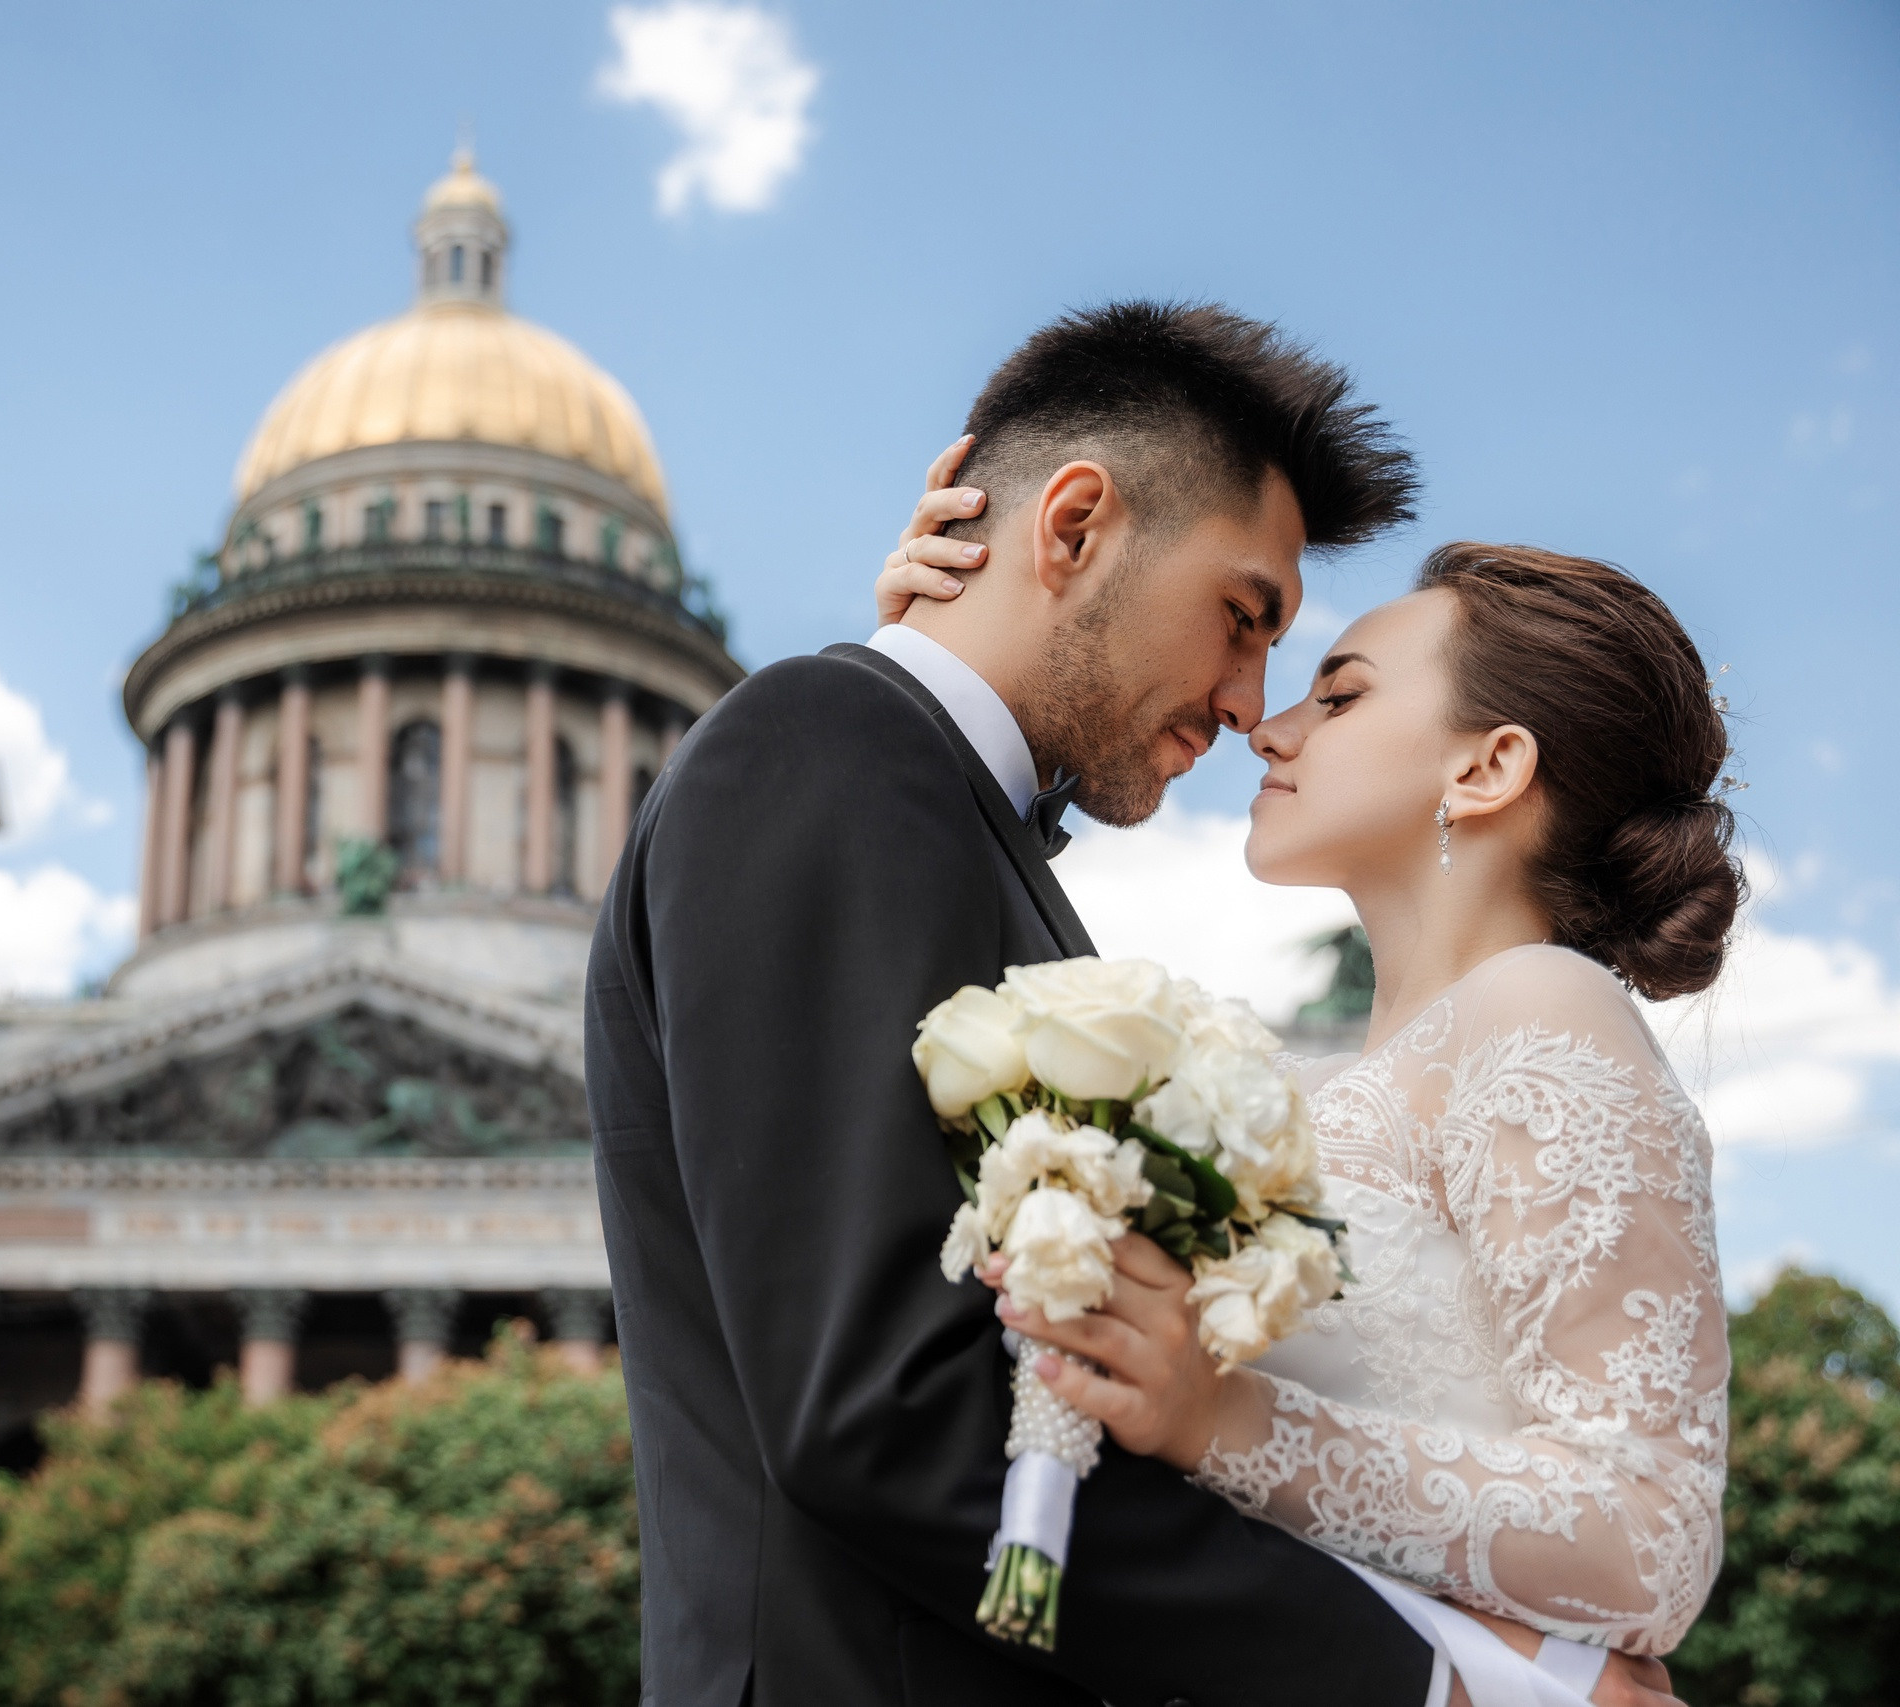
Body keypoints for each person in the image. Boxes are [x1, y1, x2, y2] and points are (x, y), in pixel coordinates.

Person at [586, 299, 1691, 1707]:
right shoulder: (832, 750)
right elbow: (887, 1412)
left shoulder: (889, 784)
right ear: (1075, 526)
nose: (1251, 707)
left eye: (1321, 679)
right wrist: (1445, 1684)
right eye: (1244, 617)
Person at [876, 455, 1737, 1696]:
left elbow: (1651, 1539)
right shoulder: (1285, 1081)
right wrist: (951, 663)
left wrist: (1221, 1421)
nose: (1268, 726)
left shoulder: (1545, 1010)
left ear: (1485, 769)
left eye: (1339, 695)